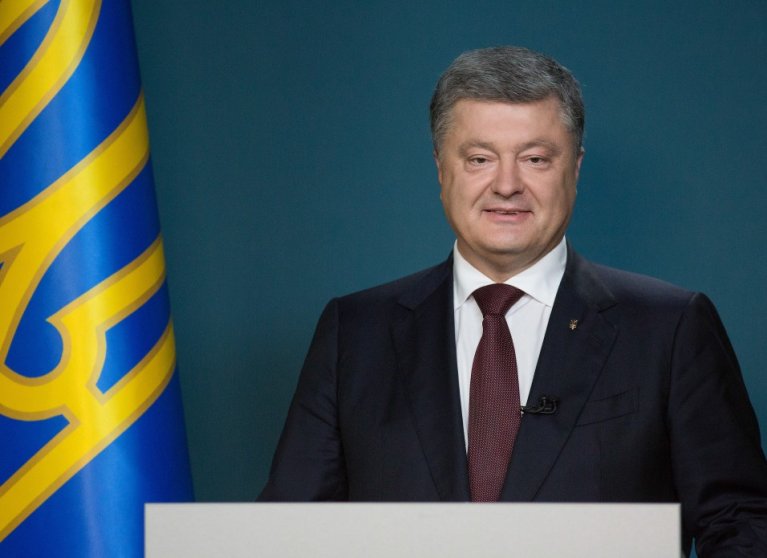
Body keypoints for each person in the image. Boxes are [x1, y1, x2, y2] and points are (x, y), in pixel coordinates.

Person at [259, 46, 767, 556]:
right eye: (479, 159)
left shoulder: (671, 328)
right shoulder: (355, 333)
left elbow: (742, 523)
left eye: (535, 159)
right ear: (441, 170)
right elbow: (288, 534)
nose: (506, 185)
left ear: (575, 168)